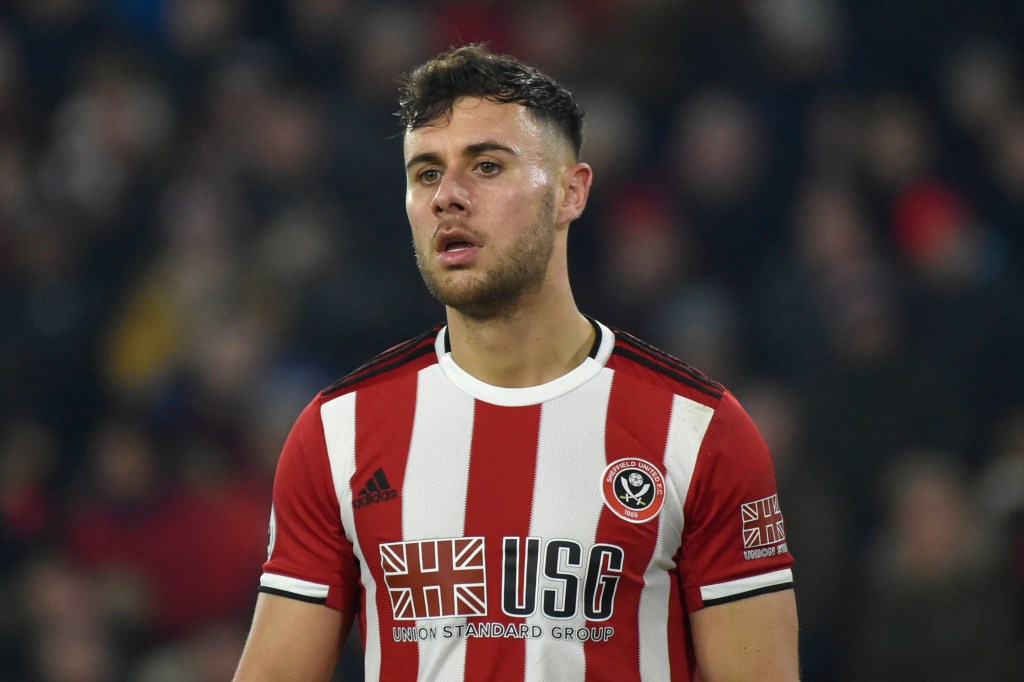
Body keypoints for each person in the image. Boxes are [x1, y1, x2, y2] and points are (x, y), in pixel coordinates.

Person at [234, 44, 798, 681]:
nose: (448, 196)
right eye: (425, 173)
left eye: (486, 166)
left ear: (570, 193)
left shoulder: (703, 434)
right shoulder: (337, 434)